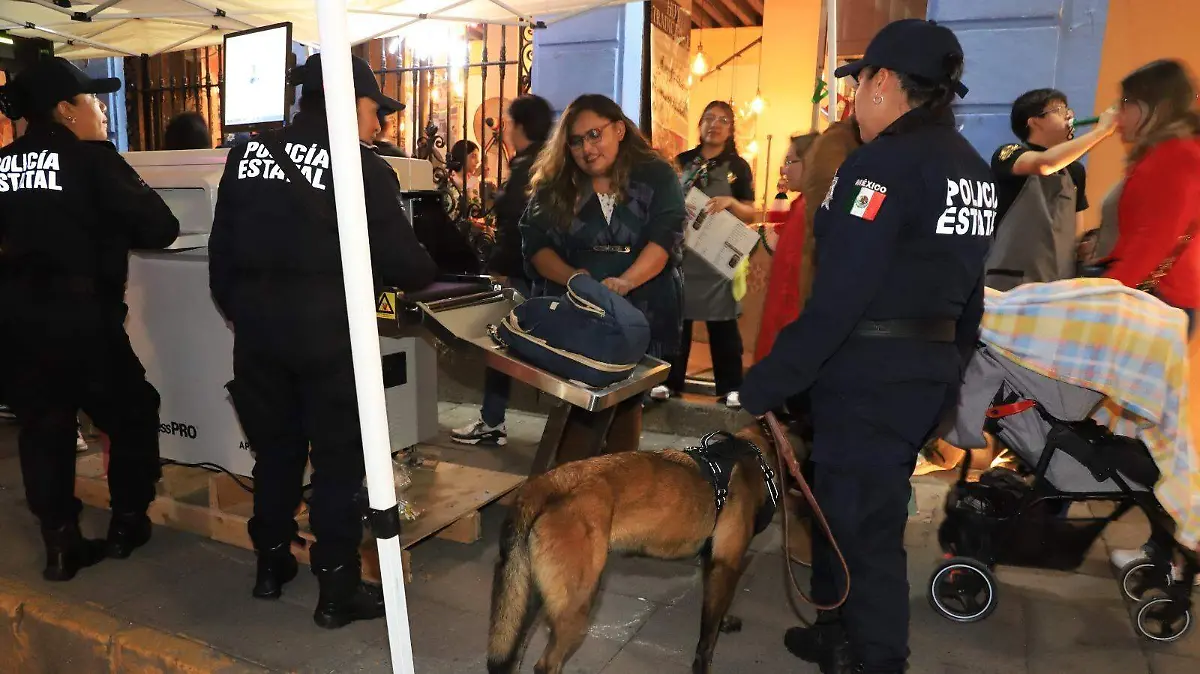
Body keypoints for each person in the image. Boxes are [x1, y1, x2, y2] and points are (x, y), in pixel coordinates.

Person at [740, 19, 992, 674]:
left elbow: (841, 294)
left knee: (867, 533)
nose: (854, 100)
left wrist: (772, 378)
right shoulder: (972, 171)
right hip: (922, 373)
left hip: (869, 378)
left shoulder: (877, 167)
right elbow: (972, 296)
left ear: (882, 81)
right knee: (836, 509)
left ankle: (878, 658)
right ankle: (833, 630)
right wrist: (950, 376)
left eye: (858, 84)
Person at [208, 53, 437, 629]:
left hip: (259, 334)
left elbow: (221, 255)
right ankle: (335, 592)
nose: (379, 123)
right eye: (374, 109)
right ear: (346, 102)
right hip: (330, 336)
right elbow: (407, 265)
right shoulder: (360, 167)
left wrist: (248, 313)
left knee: (277, 451)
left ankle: (270, 565)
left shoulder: (246, 154)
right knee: (337, 464)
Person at [0, 57, 180, 581]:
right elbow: (162, 227)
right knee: (132, 412)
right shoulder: (92, 161)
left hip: (16, 319)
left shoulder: (4, 164)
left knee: (44, 427)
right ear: (64, 110)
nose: (100, 108)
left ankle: (60, 545)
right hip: (81, 318)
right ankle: (127, 522)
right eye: (91, 99)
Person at [520, 93, 685, 455]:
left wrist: (625, 282)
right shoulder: (556, 184)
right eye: (576, 140)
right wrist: (574, 279)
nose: (586, 148)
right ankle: (571, 490)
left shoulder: (657, 176)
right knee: (581, 410)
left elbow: (665, 237)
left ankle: (612, 489)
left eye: (595, 134)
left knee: (628, 405)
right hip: (581, 316)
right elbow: (534, 245)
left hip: (645, 311)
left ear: (620, 130)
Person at [1101, 59, 1200, 576]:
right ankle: (1168, 549)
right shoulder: (1172, 154)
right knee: (1138, 432)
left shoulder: (1174, 157)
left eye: (1124, 106)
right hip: (1161, 301)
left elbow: (1152, 241)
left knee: (1147, 438)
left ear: (1149, 107)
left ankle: (1175, 552)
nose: (1117, 118)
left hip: (1156, 305)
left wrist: (1097, 298)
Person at [452, 94, 552, 446]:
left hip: (524, 274)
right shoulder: (545, 162)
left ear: (520, 126)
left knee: (500, 344)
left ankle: (493, 421)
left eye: (508, 122)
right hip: (542, 273)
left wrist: (499, 270)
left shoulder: (529, 167)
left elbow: (517, 226)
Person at [652, 101, 755, 408]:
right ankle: (668, 382)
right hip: (684, 253)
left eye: (723, 120)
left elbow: (750, 212)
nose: (715, 124)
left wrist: (730, 203)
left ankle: (731, 386)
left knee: (723, 323)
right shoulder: (682, 162)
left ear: (731, 129)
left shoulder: (738, 167)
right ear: (699, 124)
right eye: (709, 118)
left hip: (719, 256)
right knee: (678, 321)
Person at [984, 88, 1117, 290]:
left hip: (1058, 283)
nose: (1069, 115)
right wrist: (1101, 131)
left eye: (1068, 109)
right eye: (1059, 109)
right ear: (1034, 121)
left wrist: (1087, 247)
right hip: (1010, 282)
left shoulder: (1076, 171)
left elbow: (1076, 231)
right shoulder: (1009, 154)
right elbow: (1044, 165)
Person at [755, 132, 818, 363]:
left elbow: (792, 287)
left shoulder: (807, 211)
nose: (784, 170)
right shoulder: (800, 206)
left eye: (791, 161)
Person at [444, 139, 482, 221]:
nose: (478, 161)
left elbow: (475, 208)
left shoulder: (474, 181)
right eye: (473, 156)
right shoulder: (449, 177)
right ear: (462, 156)